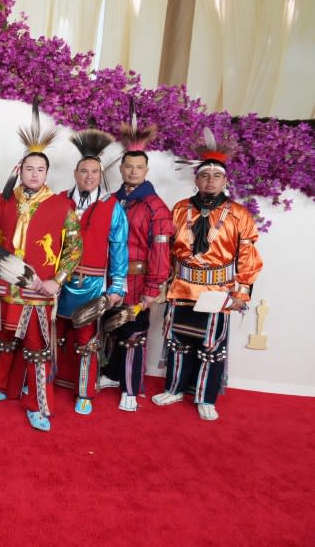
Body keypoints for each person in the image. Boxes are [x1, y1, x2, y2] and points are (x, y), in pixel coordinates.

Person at [0, 98, 82, 432]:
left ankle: (37, 404)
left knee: (37, 348)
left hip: (38, 288)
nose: (35, 174)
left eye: (41, 170)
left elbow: (74, 250)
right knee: (0, 339)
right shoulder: (0, 201)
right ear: (20, 170)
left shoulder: (62, 206)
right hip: (3, 287)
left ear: (47, 173)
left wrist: (57, 281)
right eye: (29, 168)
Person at [152, 128, 263, 421]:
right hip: (181, 286)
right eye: (205, 175)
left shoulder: (239, 214)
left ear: (226, 180)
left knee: (211, 346)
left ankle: (205, 396)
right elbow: (166, 252)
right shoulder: (179, 209)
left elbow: (248, 257)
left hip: (218, 291)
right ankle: (175, 388)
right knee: (177, 341)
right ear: (196, 179)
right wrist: (161, 283)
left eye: (216, 176)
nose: (210, 180)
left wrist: (241, 294)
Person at [98, 106, 174, 412]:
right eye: (128, 166)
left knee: (134, 332)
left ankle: (131, 387)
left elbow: (161, 252)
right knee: (112, 328)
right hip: (109, 279)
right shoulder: (110, 201)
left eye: (138, 168)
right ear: (121, 168)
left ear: (146, 170)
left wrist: (154, 287)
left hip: (139, 279)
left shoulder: (157, 207)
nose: (132, 171)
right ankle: (112, 375)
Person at [54, 128, 128, 415]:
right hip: (59, 283)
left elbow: (119, 251)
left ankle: (84, 391)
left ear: (101, 175)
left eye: (94, 172)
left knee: (87, 340)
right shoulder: (59, 201)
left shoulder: (113, 207)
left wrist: (116, 287)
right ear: (75, 173)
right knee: (53, 334)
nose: (88, 177)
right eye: (84, 171)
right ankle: (48, 381)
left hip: (93, 284)